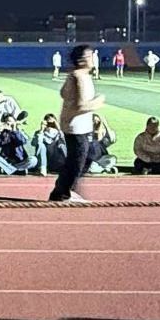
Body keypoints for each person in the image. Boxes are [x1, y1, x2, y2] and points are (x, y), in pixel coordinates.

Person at [52, 45, 104, 202]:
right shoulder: (79, 77)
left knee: (87, 155)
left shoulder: (75, 75)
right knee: (77, 162)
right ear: (81, 60)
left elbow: (63, 93)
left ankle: (61, 191)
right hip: (77, 127)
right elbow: (81, 106)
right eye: (90, 56)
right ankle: (65, 193)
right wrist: (98, 101)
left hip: (76, 125)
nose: (93, 59)